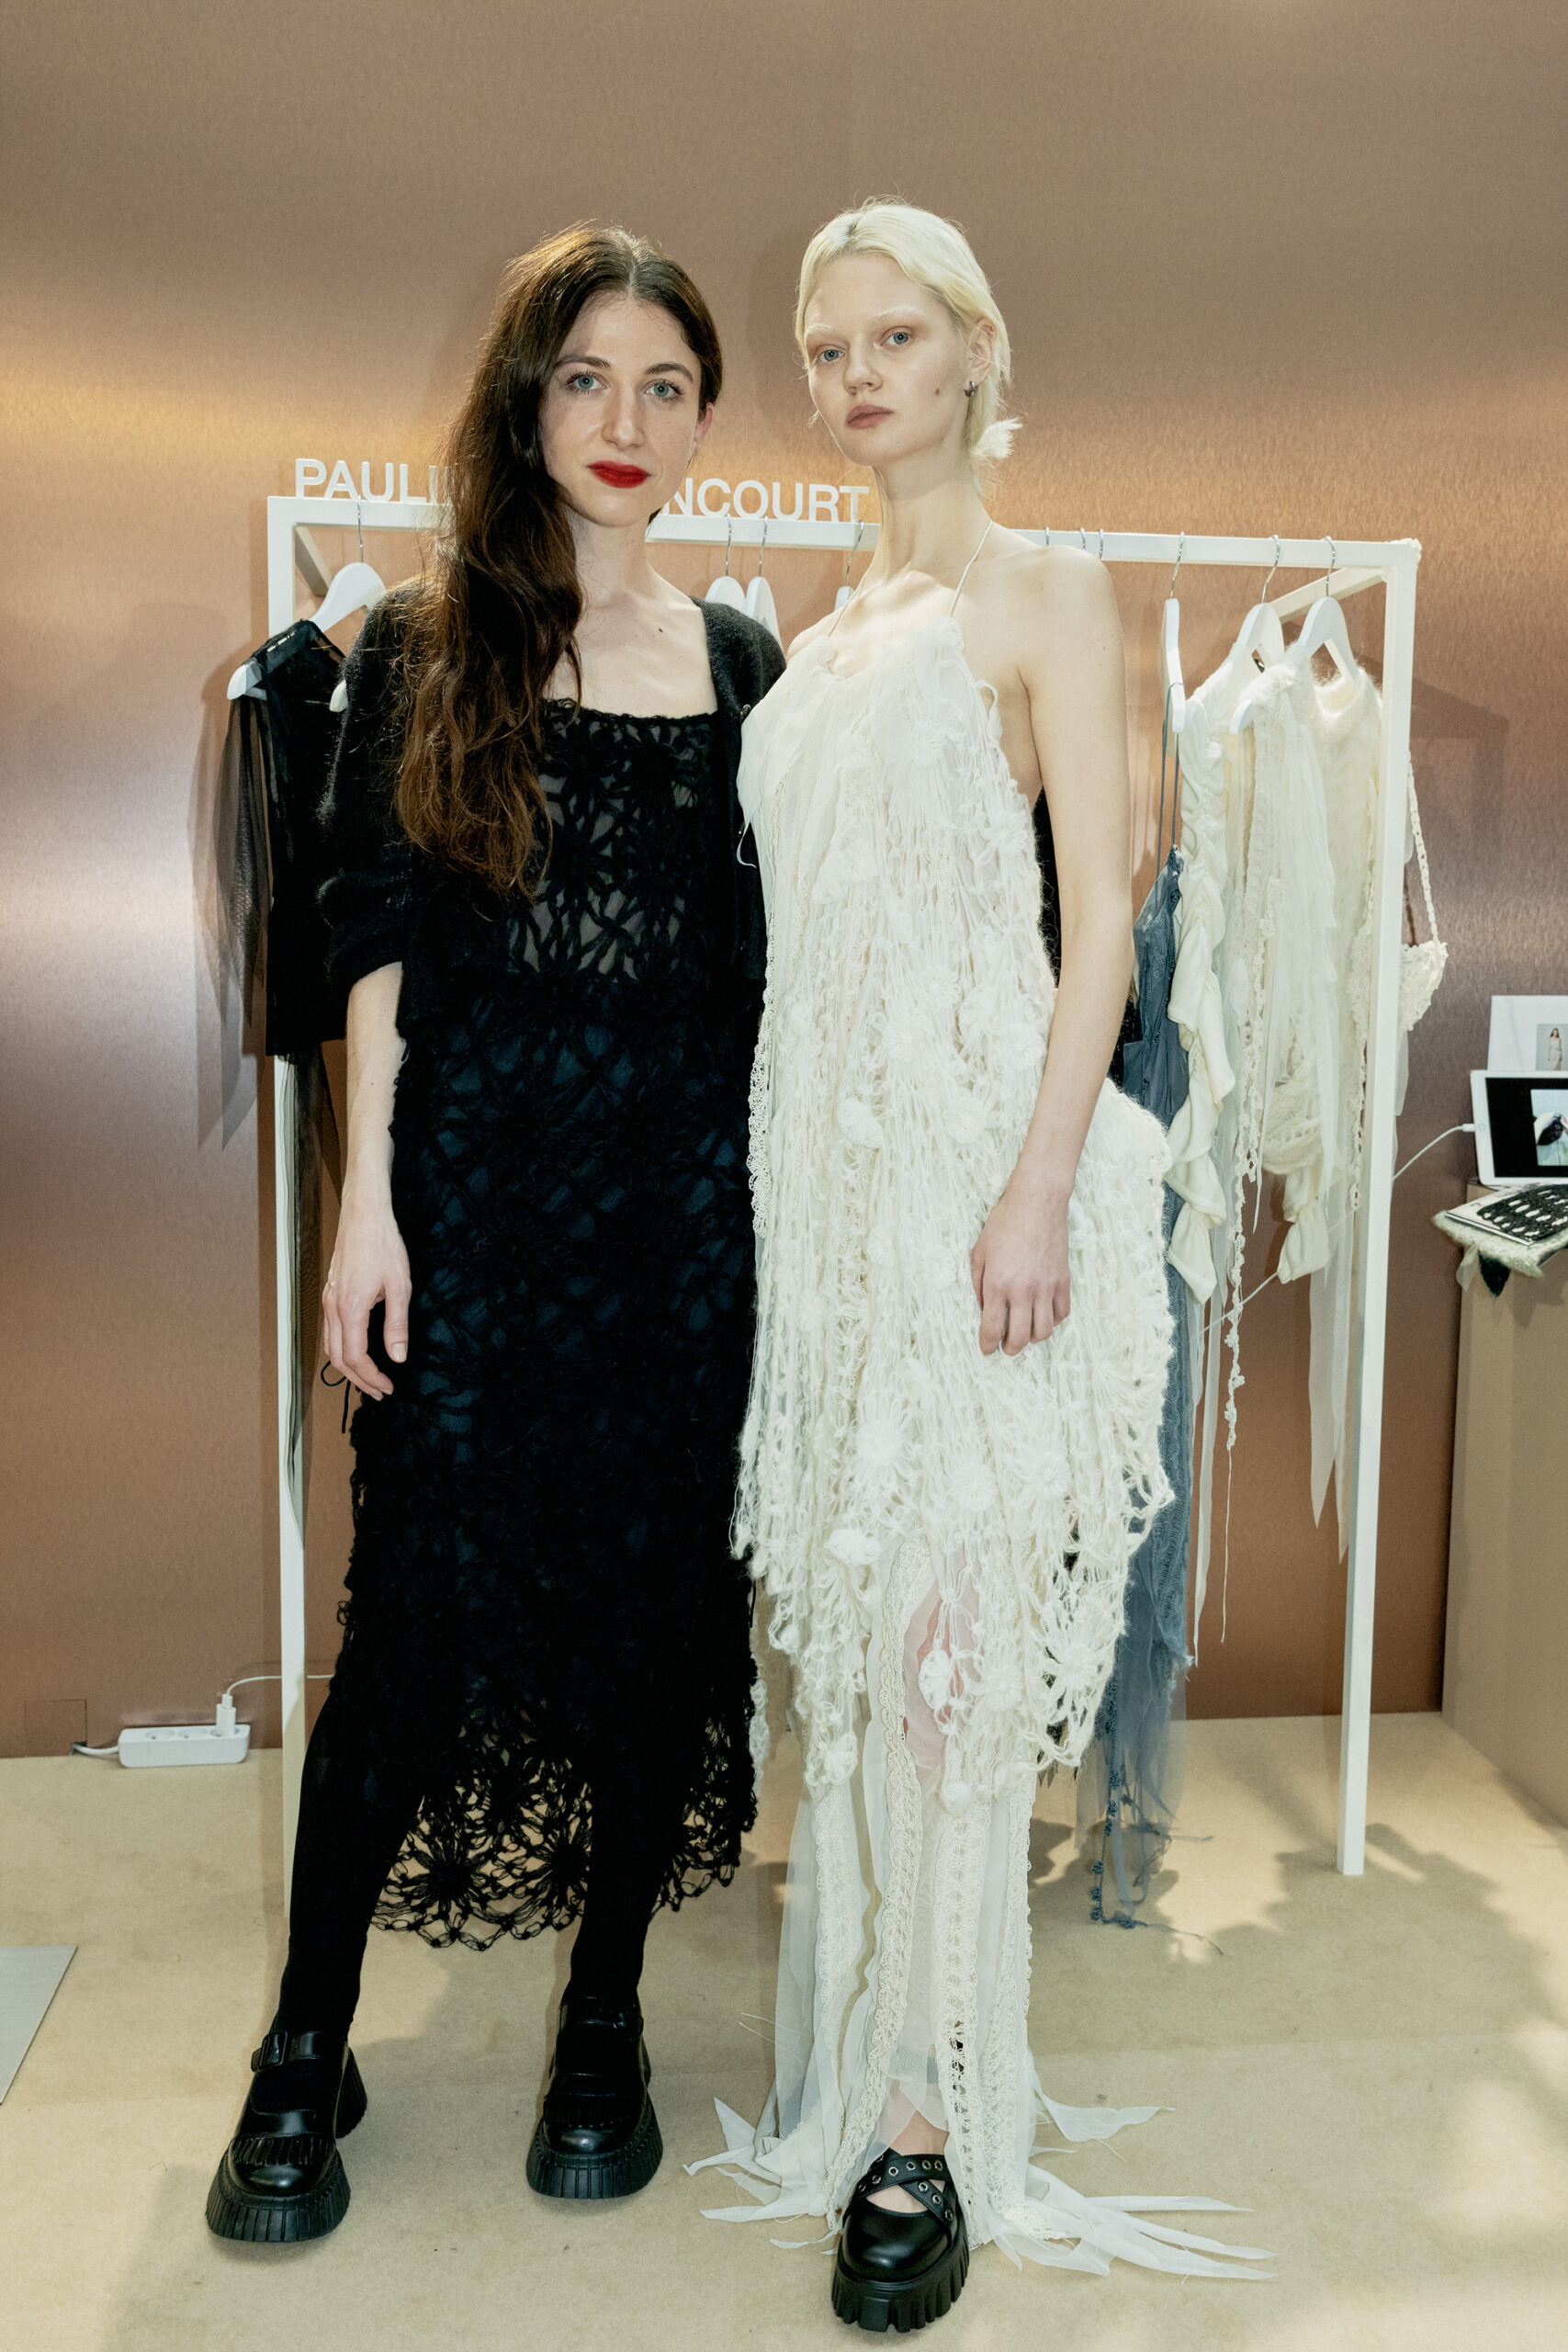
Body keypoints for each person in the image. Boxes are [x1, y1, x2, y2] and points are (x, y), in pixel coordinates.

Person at [696, 202, 1266, 2327]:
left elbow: (1099, 921)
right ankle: (880, 2052)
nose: (857, 375)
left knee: (947, 1655)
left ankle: (926, 2120)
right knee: (866, 1654)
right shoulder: (829, 624)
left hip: (969, 1186)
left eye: (895, 336)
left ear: (971, 351)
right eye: (827, 345)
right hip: (823, 1204)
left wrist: (1030, 1192)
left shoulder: (1045, 586)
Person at [207, 224, 784, 2245]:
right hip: (470, 1206)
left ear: (702, 421)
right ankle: (305, 2045)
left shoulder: (744, 665)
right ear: (524, 401)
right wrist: (364, 1207)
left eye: (666, 386)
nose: (625, 421)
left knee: (649, 1632)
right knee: (407, 1644)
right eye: (585, 378)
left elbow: (779, 977)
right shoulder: (423, 642)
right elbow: (369, 942)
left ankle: (601, 2026)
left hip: (680, 1232)